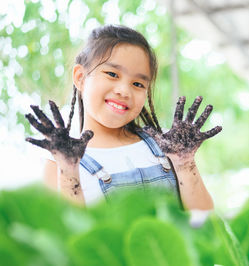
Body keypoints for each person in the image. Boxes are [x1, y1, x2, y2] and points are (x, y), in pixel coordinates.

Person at [24, 24, 222, 210]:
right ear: (80, 77)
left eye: (138, 84)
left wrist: (185, 162)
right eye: (112, 74)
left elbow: (204, 220)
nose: (124, 91)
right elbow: (68, 238)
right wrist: (69, 172)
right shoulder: (58, 161)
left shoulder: (164, 147)